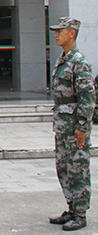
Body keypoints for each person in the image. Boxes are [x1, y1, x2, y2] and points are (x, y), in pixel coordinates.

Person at [48, 17, 95, 231]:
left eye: (60, 31)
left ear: (72, 33)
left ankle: (80, 214)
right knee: (64, 168)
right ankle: (71, 208)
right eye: (56, 31)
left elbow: (87, 97)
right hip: (62, 126)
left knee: (78, 170)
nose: (57, 34)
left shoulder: (79, 61)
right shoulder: (63, 59)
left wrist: (82, 127)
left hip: (75, 126)